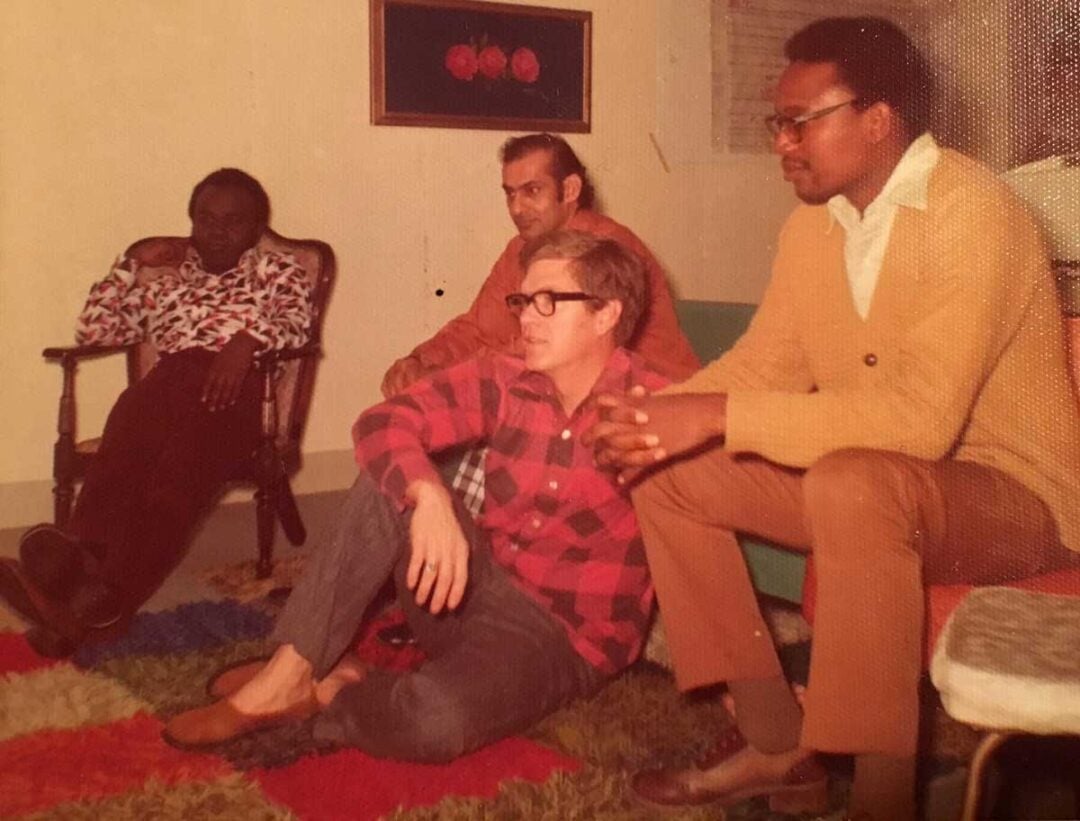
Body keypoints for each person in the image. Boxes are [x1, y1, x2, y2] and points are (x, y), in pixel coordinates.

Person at [584, 17, 1080, 820]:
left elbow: (918, 422)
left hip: (1018, 504)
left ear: (877, 119)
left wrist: (717, 413)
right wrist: (651, 415)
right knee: (672, 469)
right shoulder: (813, 226)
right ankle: (780, 743)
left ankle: (882, 801)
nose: (781, 142)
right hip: (886, 484)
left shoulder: (975, 210)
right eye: (776, 123)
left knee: (855, 483)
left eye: (799, 122)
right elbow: (764, 367)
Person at [162, 231, 670, 761]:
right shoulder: (506, 376)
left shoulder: (655, 408)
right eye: (523, 301)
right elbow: (385, 421)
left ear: (607, 314)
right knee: (390, 479)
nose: (526, 318)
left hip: (561, 639)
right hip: (465, 591)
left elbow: (700, 540)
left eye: (548, 301)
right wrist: (429, 496)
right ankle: (291, 672)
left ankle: (338, 688)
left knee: (435, 721)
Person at [0, 168, 312, 657]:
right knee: (120, 460)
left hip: (239, 396)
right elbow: (95, 332)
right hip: (167, 389)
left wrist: (246, 343)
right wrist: (128, 264)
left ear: (256, 229)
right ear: (190, 223)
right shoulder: (164, 284)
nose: (218, 230)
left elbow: (296, 323)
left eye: (234, 221)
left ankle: (85, 600)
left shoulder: (277, 271)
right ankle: (79, 590)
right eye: (206, 218)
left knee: (174, 482)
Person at [380, 132, 698, 396]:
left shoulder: (607, 248)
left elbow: (555, 349)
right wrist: (418, 360)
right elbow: (479, 329)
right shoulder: (521, 249)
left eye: (532, 191)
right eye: (510, 194)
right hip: (567, 396)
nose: (517, 208)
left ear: (570, 190)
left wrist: (444, 376)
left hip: (651, 404)